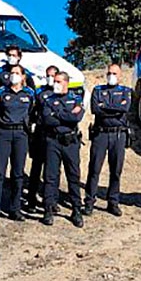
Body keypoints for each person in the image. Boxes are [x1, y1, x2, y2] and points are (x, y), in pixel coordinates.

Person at [0, 64, 34, 223]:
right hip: (3, 133)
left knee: (18, 173)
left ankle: (15, 208)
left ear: (23, 76)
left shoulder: (29, 94)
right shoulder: (1, 92)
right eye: (11, 73)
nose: (13, 75)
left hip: (21, 134)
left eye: (17, 73)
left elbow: (32, 112)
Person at [84, 64, 132, 217]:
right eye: (109, 73)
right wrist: (114, 109)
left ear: (120, 76)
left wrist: (106, 108)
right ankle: (89, 202)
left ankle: (113, 202)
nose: (111, 76)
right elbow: (96, 109)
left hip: (118, 135)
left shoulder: (125, 91)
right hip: (101, 134)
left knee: (116, 171)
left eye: (115, 73)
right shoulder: (98, 90)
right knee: (94, 169)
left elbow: (124, 109)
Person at [41, 71, 85, 227]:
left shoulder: (76, 99)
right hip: (53, 141)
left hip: (70, 143)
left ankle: (76, 210)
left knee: (73, 176)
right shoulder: (48, 99)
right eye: (55, 81)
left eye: (59, 81)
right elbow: (47, 120)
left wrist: (57, 113)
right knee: (50, 176)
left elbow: (76, 118)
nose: (56, 84)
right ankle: (48, 209)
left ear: (66, 82)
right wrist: (65, 115)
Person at [25, 65, 59, 213]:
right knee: (36, 167)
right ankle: (31, 199)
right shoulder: (39, 91)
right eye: (48, 75)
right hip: (40, 133)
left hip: (55, 135)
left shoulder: (62, 92)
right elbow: (32, 111)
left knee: (53, 170)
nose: (50, 78)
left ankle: (52, 200)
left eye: (53, 75)